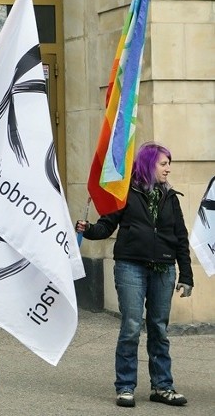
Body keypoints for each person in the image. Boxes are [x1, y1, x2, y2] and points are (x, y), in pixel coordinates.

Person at [76, 141, 193, 408]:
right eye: (163, 163)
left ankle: (162, 387)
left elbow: (181, 239)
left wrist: (186, 275)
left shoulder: (171, 197)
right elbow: (106, 226)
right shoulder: (125, 193)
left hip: (164, 268)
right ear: (148, 164)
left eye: (169, 164)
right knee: (131, 326)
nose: (168, 169)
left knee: (159, 329)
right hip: (131, 265)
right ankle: (125, 386)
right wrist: (88, 228)